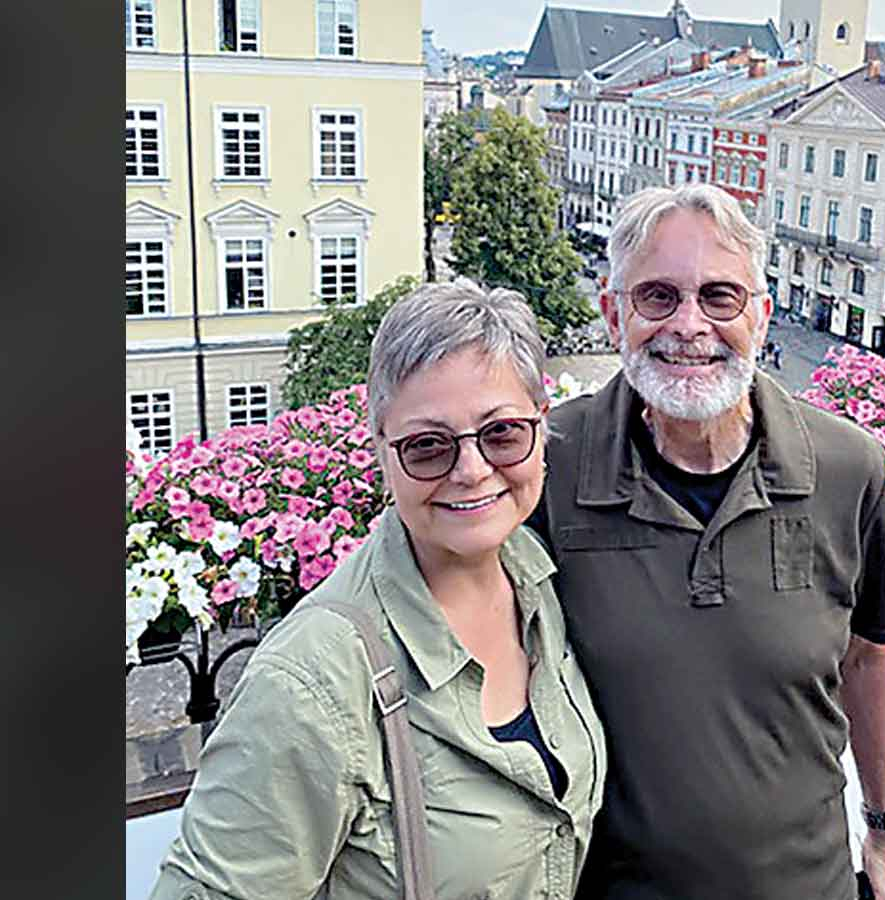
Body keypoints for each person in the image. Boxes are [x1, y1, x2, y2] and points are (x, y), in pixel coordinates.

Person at [149, 280, 607, 900]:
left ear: (541, 430)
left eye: (502, 434)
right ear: (382, 453)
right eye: (427, 447)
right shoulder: (312, 680)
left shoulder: (538, 580)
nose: (472, 470)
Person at [528, 184, 885, 900]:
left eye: (721, 297)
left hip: (810, 886)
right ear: (614, 314)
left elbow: (867, 655)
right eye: (658, 297)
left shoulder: (848, 467)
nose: (690, 326)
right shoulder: (550, 464)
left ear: (760, 316)